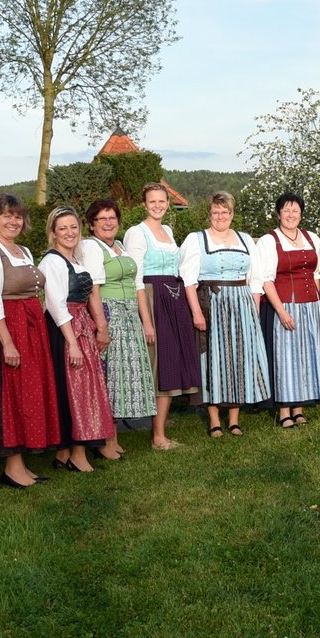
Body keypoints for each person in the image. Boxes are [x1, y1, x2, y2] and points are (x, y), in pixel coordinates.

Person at [0, 194, 60, 489]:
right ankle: (11, 467)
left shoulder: (22, 250)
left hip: (30, 327)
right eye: (6, 215)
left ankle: (21, 462)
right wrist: (8, 343)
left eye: (18, 216)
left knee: (30, 392)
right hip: (8, 329)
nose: (13, 221)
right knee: (13, 396)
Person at [181, 191, 271, 435]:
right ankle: (214, 419)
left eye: (225, 212)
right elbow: (189, 281)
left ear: (232, 214)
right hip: (212, 302)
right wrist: (197, 313)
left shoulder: (245, 239)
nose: (220, 216)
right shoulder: (195, 239)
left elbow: (256, 279)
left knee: (238, 358)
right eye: (215, 212)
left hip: (242, 304)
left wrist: (253, 309)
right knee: (212, 358)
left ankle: (234, 418)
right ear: (209, 214)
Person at [123, 182, 201, 450]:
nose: (158, 205)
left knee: (170, 362)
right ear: (144, 204)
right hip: (153, 298)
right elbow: (135, 280)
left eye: (162, 201)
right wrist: (146, 320)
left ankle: (161, 431)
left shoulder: (168, 230)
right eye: (152, 201)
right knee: (158, 366)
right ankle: (157, 436)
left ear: (168, 203)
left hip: (174, 299)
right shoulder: (136, 233)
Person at [41, 207, 116, 472]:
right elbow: (56, 304)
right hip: (65, 330)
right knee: (73, 390)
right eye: (63, 228)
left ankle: (66, 453)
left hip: (80, 324)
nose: (69, 232)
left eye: (73, 227)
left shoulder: (75, 260)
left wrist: (95, 325)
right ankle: (76, 453)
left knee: (83, 389)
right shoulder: (52, 261)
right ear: (53, 233)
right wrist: (72, 342)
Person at [80, 198, 155, 457]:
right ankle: (106, 440)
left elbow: (138, 284)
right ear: (91, 224)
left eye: (112, 218)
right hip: (110, 312)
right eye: (102, 219)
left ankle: (112, 437)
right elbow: (93, 288)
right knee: (109, 375)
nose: (109, 223)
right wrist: (102, 325)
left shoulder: (120, 246)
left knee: (122, 375)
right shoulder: (91, 247)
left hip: (129, 313)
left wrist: (146, 321)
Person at [258, 193, 320, 427]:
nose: (291, 215)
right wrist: (281, 311)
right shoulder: (269, 241)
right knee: (285, 357)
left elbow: (315, 274)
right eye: (286, 211)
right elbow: (266, 280)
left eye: (295, 211)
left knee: (305, 356)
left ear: (301, 214)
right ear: (278, 213)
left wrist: (317, 304)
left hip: (310, 305)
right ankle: (284, 411)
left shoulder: (312, 238)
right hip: (284, 305)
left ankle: (299, 408)